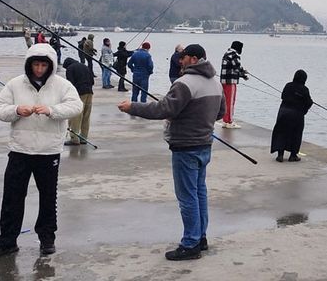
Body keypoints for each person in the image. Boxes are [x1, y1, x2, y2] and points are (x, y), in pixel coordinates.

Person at [117, 44, 224, 261]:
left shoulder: (184, 83)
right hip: (204, 145)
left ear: (193, 59)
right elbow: (220, 113)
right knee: (199, 193)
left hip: (185, 147)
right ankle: (201, 237)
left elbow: (163, 109)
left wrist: (133, 107)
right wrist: (198, 120)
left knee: (187, 197)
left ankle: (191, 243)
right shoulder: (216, 82)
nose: (180, 61)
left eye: (183, 58)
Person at [0, 43, 82, 260]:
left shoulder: (62, 85)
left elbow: (76, 106)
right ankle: (7, 241)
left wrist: (52, 110)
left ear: (50, 66)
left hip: (49, 151)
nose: (39, 69)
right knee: (12, 196)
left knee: (48, 197)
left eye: (43, 65)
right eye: (35, 64)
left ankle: (47, 238)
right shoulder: (15, 84)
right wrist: (17, 110)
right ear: (29, 64)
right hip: (20, 149)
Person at [270, 70, 314, 162]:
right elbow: (309, 102)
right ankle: (293, 155)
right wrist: (304, 111)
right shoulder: (304, 89)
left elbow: (283, 96)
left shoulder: (288, 85)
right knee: (296, 134)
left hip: (283, 112)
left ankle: (280, 155)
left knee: (281, 132)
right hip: (296, 114)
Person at [62, 57, 94, 145]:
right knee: (86, 116)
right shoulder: (85, 66)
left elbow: (70, 83)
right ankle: (83, 138)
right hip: (89, 92)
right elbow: (92, 81)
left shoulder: (70, 68)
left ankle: (74, 139)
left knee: (76, 116)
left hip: (79, 93)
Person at [219, 40, 247, 128]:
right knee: (230, 102)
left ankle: (225, 120)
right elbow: (237, 67)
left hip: (223, 81)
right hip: (230, 82)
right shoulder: (235, 55)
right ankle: (229, 122)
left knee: (225, 101)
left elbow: (233, 66)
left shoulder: (227, 53)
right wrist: (244, 75)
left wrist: (243, 71)